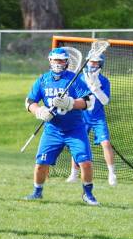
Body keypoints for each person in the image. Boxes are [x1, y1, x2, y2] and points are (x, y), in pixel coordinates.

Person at [24, 47, 100, 206]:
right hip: (52, 130)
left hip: (75, 129)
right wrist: (39, 111)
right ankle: (37, 192)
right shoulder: (43, 80)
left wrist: (70, 103)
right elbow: (29, 102)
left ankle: (88, 194)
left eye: (61, 60)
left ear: (66, 62)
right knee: (41, 164)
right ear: (50, 61)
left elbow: (88, 102)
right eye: (55, 60)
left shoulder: (74, 79)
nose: (58, 63)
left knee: (85, 162)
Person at [66, 53, 116, 186]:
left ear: (100, 65)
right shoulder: (79, 79)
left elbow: (105, 101)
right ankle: (74, 174)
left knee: (105, 143)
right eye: (91, 62)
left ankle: (112, 174)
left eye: (96, 63)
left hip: (97, 117)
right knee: (78, 145)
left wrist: (95, 88)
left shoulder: (104, 81)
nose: (93, 65)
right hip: (81, 116)